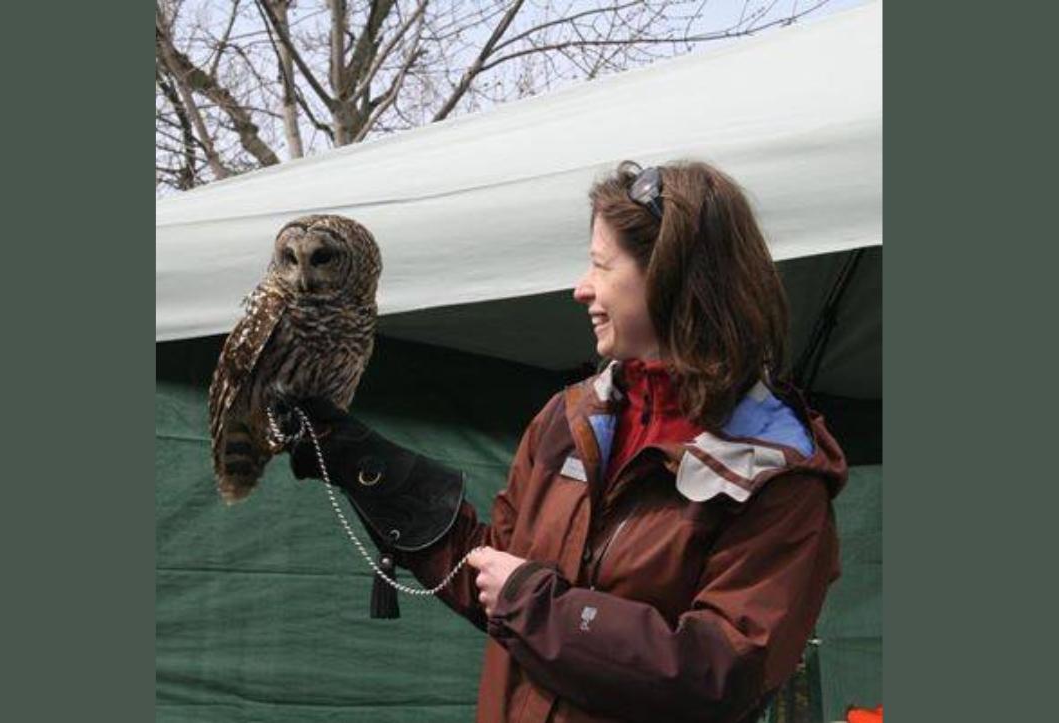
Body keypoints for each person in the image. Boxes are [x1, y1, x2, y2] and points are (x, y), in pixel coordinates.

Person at [284, 160, 848, 723]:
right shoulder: (569, 419)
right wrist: (367, 466)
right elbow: (496, 577)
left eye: (601, 265)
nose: (582, 288)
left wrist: (535, 605)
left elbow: (719, 674)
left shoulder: (779, 479)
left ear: (671, 275)